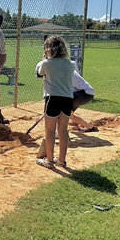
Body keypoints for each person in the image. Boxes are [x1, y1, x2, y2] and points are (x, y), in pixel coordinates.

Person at [34, 35, 77, 168]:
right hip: (68, 99)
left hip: (53, 98)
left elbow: (39, 73)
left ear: (49, 48)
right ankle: (62, 161)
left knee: (50, 130)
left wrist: (44, 59)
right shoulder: (71, 64)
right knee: (63, 130)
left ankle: (50, 160)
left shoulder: (46, 63)